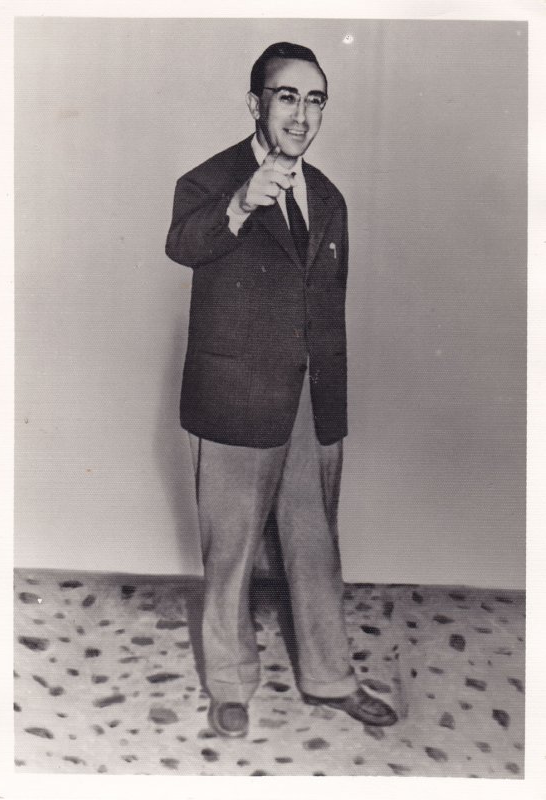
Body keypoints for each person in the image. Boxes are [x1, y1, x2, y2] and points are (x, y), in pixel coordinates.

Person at [165, 41, 398, 737]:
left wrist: (331, 404)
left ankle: (329, 678)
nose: (301, 114)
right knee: (231, 552)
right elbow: (183, 245)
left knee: (316, 544)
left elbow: (326, 304)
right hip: (233, 396)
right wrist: (240, 203)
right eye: (287, 97)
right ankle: (230, 683)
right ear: (255, 104)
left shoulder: (327, 196)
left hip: (310, 401)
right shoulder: (207, 181)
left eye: (314, 99)